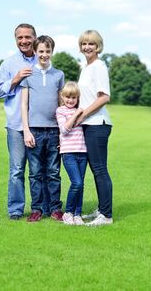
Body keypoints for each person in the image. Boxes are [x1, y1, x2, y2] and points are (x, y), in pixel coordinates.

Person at [0, 23, 49, 220]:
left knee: (40, 170)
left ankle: (42, 208)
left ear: (35, 38)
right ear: (15, 40)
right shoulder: (8, 64)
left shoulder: (43, 59)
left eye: (28, 37)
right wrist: (15, 79)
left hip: (40, 126)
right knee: (17, 170)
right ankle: (16, 210)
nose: (24, 41)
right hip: (16, 126)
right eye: (20, 38)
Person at [21, 35, 64, 223]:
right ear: (35, 52)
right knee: (35, 173)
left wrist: (63, 132)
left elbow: (63, 105)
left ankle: (55, 209)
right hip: (35, 131)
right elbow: (24, 105)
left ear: (52, 52)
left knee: (54, 172)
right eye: (41, 51)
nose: (44, 55)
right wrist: (26, 130)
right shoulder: (29, 73)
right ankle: (36, 209)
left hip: (54, 131)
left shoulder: (59, 75)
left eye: (48, 51)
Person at [77, 29, 113, 226]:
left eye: (91, 43)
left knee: (100, 169)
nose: (87, 47)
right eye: (84, 43)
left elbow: (104, 97)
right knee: (96, 169)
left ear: (98, 46)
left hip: (97, 124)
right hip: (89, 124)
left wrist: (82, 114)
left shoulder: (99, 66)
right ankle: (102, 209)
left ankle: (106, 215)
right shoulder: (86, 67)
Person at [56, 82, 87, 226]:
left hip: (82, 151)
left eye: (74, 97)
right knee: (77, 183)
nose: (70, 100)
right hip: (68, 153)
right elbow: (65, 129)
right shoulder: (60, 111)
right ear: (63, 97)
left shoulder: (81, 110)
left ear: (77, 98)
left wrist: (79, 111)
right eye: (68, 97)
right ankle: (68, 213)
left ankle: (77, 214)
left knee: (81, 185)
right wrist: (76, 113)